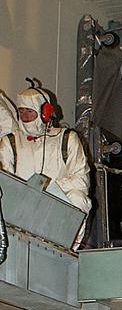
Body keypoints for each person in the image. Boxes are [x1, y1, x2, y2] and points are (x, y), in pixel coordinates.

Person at [0, 82, 90, 216]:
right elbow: (6, 183)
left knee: (78, 198)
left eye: (30, 111)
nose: (25, 116)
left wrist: (47, 188)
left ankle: (69, 237)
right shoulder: (10, 141)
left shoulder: (67, 139)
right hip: (22, 207)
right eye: (21, 111)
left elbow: (81, 180)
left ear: (45, 113)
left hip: (56, 203)